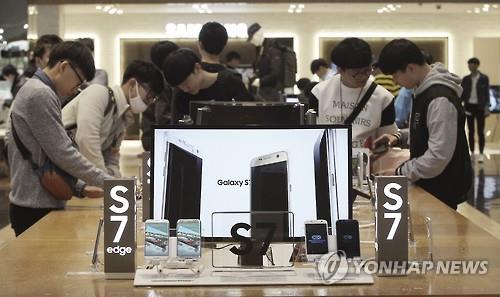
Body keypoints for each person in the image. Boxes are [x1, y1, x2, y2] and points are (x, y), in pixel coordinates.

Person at [7, 41, 112, 236]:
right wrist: (109, 183)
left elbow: (43, 152)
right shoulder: (40, 94)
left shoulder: (36, 89)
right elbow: (62, 152)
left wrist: (80, 188)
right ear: (64, 67)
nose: (75, 89)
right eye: (78, 81)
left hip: (33, 201)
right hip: (35, 207)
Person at [376, 38, 472, 210]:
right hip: (431, 184)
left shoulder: (439, 97)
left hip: (442, 187)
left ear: (411, 68)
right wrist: (397, 137)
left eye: (395, 75)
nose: (395, 82)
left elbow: (438, 156)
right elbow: (425, 130)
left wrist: (399, 173)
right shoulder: (422, 91)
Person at [62, 60, 163, 176]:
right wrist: (104, 179)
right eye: (149, 95)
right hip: (59, 169)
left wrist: (114, 178)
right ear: (132, 83)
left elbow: (112, 157)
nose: (149, 101)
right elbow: (87, 139)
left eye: (153, 98)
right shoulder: (98, 93)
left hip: (77, 173)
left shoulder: (123, 117)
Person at [310, 37, 397, 147]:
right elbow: (311, 135)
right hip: (328, 157)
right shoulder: (319, 93)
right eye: (357, 73)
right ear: (340, 70)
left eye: (367, 70)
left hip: (367, 160)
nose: (363, 76)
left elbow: (387, 138)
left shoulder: (384, 98)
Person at [163, 49, 253, 123]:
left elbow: (249, 117)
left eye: (185, 83)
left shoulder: (231, 83)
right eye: (180, 86)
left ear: (197, 68)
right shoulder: (181, 94)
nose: (185, 89)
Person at [141, 40, 179, 151]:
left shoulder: (152, 82)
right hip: (165, 144)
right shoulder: (169, 84)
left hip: (152, 142)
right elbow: (162, 118)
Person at [461, 57, 490, 162]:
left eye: (471, 64)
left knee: (480, 131)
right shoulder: (465, 79)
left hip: (480, 107)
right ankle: (472, 152)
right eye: (468, 65)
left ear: (477, 65)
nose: (469, 66)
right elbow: (462, 93)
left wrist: (487, 107)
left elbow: (486, 93)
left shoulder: (484, 78)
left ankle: (481, 153)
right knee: (470, 131)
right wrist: (461, 106)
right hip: (469, 107)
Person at [247, 22, 283, 101]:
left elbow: (275, 72)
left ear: (259, 34)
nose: (252, 41)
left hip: (271, 92)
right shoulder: (260, 50)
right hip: (262, 92)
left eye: (252, 38)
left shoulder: (272, 49)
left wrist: (260, 81)